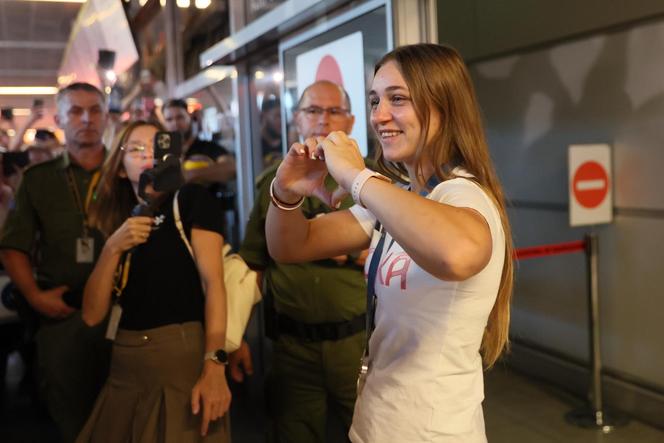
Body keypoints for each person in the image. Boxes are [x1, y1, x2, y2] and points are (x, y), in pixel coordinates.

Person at [265, 44, 514, 443]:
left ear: (444, 105)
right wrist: (286, 191)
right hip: (377, 423)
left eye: (397, 99)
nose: (379, 116)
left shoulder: (462, 195)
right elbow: (292, 245)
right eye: (374, 100)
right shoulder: (400, 195)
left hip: (433, 432)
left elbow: (459, 253)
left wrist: (355, 177)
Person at [77, 121, 231, 442]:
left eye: (157, 146)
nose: (148, 155)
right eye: (135, 149)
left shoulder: (190, 201)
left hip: (179, 356)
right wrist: (112, 247)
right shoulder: (110, 217)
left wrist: (215, 364)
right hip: (123, 361)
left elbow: (215, 285)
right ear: (120, 167)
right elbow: (92, 315)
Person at [239, 80, 367, 443]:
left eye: (334, 111)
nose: (323, 121)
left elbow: (400, 251)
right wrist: (234, 337)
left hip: (357, 343)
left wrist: (353, 251)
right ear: (296, 119)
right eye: (312, 110)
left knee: (367, 432)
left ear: (351, 121)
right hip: (291, 348)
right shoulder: (274, 184)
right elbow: (253, 265)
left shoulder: (372, 181)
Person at [0, 82, 111, 442]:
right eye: (76, 111)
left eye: (94, 110)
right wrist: (33, 296)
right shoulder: (38, 179)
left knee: (125, 415)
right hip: (62, 315)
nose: (86, 118)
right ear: (61, 119)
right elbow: (13, 246)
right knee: (72, 418)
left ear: (106, 117)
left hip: (124, 314)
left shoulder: (126, 173)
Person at [162, 99, 235, 186]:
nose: (175, 123)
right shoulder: (163, 152)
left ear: (189, 117)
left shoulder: (207, 147)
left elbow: (231, 168)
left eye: (180, 117)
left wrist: (190, 174)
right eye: (169, 120)